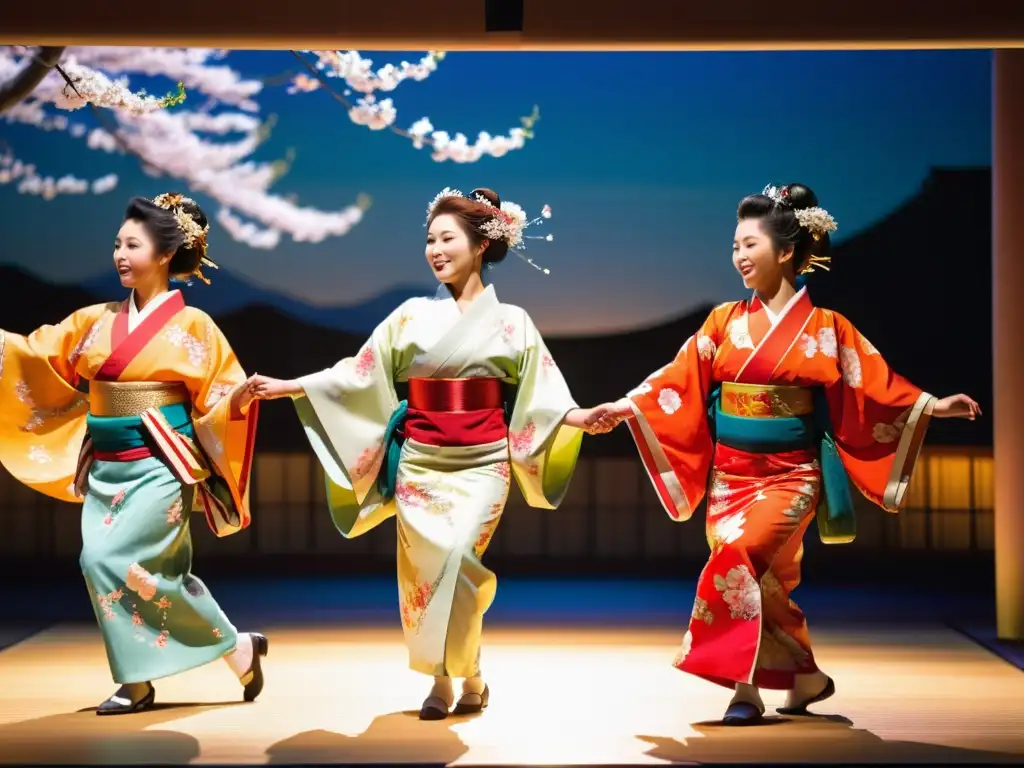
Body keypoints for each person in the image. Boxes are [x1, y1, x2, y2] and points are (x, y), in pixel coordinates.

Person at [587, 183, 980, 725]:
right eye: (734, 246)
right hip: (730, 476)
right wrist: (626, 407)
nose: (739, 257)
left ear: (786, 251)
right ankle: (805, 678)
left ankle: (742, 687)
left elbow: (873, 383)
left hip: (791, 474)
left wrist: (932, 406)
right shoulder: (723, 322)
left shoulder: (827, 327)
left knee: (741, 558)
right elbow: (677, 380)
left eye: (750, 245)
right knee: (763, 578)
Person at [249, 187, 613, 720]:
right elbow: (359, 373)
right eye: (430, 239)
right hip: (421, 464)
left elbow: (542, 393)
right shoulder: (410, 316)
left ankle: (453, 675)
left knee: (459, 557)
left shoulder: (513, 321)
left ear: (482, 245)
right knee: (426, 574)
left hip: (484, 462)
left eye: (448, 238)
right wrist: (291, 386)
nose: (435, 249)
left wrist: (578, 417)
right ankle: (458, 678)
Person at [0, 193, 268, 715]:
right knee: (140, 570)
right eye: (117, 244)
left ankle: (137, 682)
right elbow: (31, 355)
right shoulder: (93, 321)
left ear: (166, 253)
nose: (120, 254)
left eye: (133, 244)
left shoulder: (195, 327)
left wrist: (238, 398)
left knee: (107, 559)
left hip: (163, 462)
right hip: (106, 466)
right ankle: (235, 648)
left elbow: (219, 392)